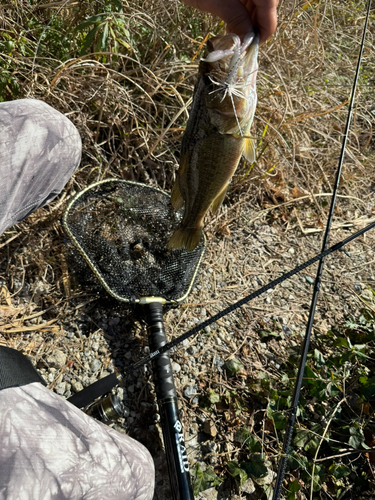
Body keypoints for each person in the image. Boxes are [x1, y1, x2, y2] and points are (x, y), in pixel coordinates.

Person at [0, 2, 278, 499]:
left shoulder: (230, 104)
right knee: (134, 472)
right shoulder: (228, 106)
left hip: (218, 143)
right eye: (217, 81)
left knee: (49, 132)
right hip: (216, 145)